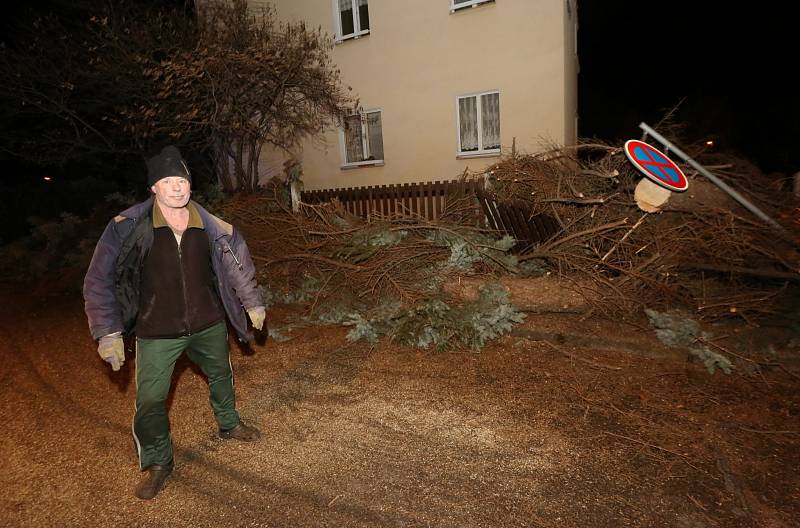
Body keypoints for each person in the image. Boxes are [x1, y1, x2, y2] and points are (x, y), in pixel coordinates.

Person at [83, 145, 267, 500]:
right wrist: (108, 331)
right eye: (168, 181)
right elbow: (98, 279)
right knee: (150, 399)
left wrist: (253, 302)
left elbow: (237, 264)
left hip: (208, 321)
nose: (177, 187)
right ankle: (157, 462)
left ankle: (229, 424)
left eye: (181, 179)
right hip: (156, 329)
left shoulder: (210, 224)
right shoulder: (126, 227)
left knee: (222, 374)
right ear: (154, 187)